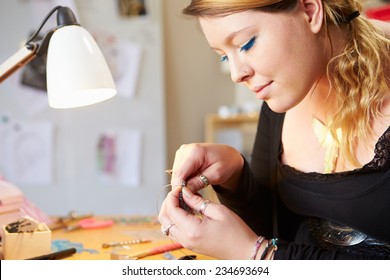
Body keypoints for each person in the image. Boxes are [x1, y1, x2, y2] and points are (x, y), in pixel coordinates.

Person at [158, 0, 390, 259]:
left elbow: (266, 249)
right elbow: (275, 229)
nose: (236, 74)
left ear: (310, 11)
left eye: (246, 44)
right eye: (224, 56)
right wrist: (236, 176)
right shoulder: (283, 93)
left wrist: (258, 255)